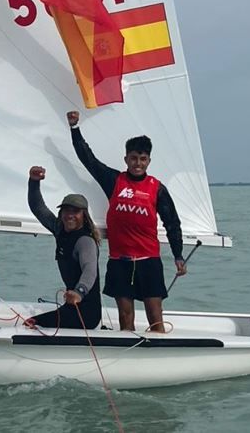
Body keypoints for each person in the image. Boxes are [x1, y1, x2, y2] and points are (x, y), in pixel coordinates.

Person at [66, 110, 186, 333]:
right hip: (120, 261)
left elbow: (172, 223)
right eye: (133, 158)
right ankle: (128, 351)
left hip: (148, 260)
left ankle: (158, 353)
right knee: (125, 315)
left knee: (154, 315)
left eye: (142, 159)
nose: (137, 163)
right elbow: (88, 159)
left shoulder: (156, 188)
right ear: (126, 159)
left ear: (149, 160)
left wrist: (178, 255)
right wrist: (75, 129)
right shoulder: (114, 180)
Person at [24, 165, 102, 330]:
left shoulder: (85, 241)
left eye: (75, 211)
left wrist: (79, 292)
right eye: (66, 210)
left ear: (84, 215)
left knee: (32, 323)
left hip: (87, 314)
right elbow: (38, 208)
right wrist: (34, 182)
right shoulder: (60, 230)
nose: (70, 215)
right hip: (71, 308)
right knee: (33, 322)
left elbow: (90, 270)